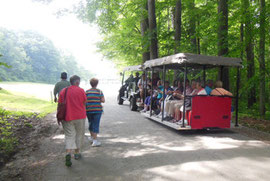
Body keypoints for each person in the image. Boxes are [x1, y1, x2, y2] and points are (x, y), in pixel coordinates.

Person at [58, 75, 87, 167]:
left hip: (67, 117)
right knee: (79, 135)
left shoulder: (63, 91)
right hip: (80, 117)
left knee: (69, 136)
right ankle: (77, 153)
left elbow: (59, 104)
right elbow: (84, 103)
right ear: (77, 82)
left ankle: (68, 154)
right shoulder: (81, 90)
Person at [86, 78, 105, 147]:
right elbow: (103, 100)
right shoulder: (99, 91)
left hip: (88, 110)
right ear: (97, 84)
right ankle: (95, 140)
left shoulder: (87, 92)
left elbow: (84, 101)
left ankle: (92, 137)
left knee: (91, 123)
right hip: (97, 110)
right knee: (96, 124)